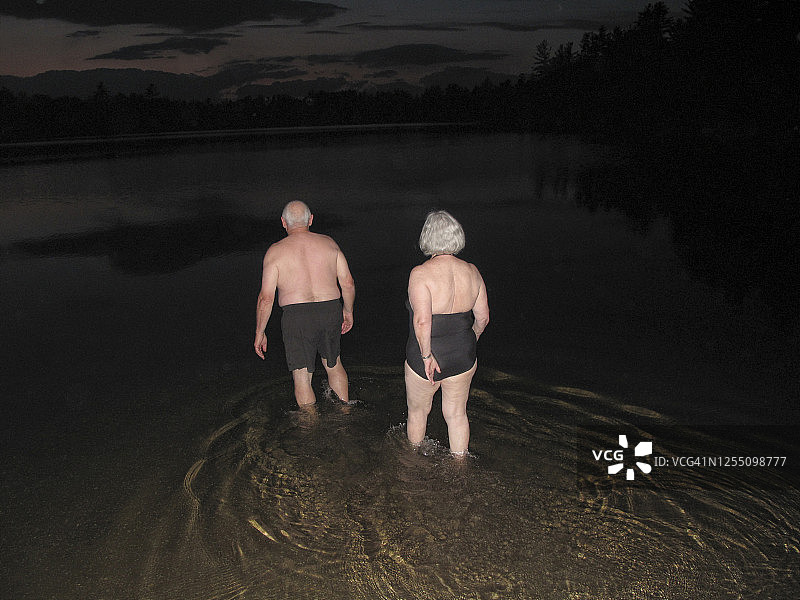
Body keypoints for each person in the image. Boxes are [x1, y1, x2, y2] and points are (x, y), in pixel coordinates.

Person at [405, 210, 489, 456]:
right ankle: (460, 465)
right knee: (457, 415)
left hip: (427, 358)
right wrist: (471, 339)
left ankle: (412, 464)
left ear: (427, 238)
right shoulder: (472, 271)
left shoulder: (420, 274)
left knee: (418, 413)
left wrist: (426, 356)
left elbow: (422, 321)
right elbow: (483, 318)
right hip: (463, 355)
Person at [254, 201, 355, 406]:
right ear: (310, 219)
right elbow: (348, 283)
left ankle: (310, 423)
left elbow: (266, 298)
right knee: (334, 365)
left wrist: (260, 332)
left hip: (297, 316)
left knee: (302, 377)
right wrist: (348, 311)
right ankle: (345, 413)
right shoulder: (329, 243)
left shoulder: (275, 252)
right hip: (330, 310)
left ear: (283, 222)